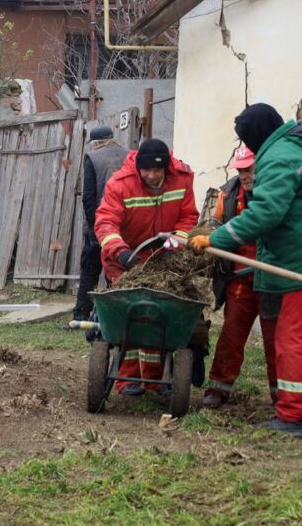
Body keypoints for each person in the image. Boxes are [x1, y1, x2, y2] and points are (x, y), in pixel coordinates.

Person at [191, 103, 302, 433]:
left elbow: (267, 214)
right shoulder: (285, 150)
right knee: (261, 335)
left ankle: (292, 414)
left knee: (289, 340)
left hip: (291, 263)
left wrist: (215, 240)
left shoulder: (280, 156)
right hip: (265, 271)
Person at [95, 138, 198, 395]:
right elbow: (105, 222)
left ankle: (154, 378)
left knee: (158, 315)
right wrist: (120, 252)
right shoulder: (120, 184)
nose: (152, 176)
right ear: (138, 166)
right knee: (128, 314)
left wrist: (179, 239)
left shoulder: (182, 178)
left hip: (161, 261)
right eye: (146, 170)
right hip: (125, 260)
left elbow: (188, 216)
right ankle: (127, 378)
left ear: (167, 168)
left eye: (157, 171)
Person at [202, 145, 278, 408]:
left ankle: (281, 395)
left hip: (271, 278)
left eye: (249, 169)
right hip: (239, 278)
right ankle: (218, 388)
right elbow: (217, 225)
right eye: (241, 169)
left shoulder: (275, 191)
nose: (245, 175)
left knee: (274, 338)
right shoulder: (229, 194)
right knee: (231, 333)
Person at [75, 126, 129, 320]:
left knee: (90, 270)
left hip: (102, 224)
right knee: (118, 272)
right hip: (125, 227)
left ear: (96, 143)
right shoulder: (130, 155)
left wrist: (93, 228)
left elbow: (88, 198)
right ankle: (117, 315)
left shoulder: (93, 157)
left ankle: (81, 315)